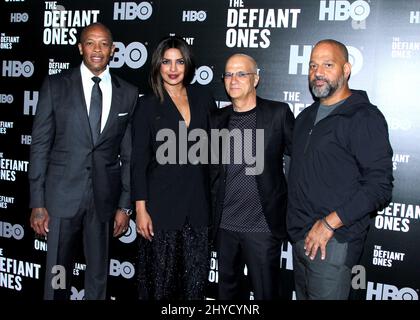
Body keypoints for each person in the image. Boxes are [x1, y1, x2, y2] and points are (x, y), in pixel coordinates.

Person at [28, 22, 139, 300]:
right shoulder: (56, 85)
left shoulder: (128, 92)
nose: (97, 49)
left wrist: (125, 206)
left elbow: (129, 154)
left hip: (104, 200)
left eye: (103, 44)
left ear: (113, 50)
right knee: (58, 271)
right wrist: (38, 203)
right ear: (80, 48)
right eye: (90, 43)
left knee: (98, 274)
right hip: (61, 197)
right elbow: (40, 146)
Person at [286, 39, 393, 300]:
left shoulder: (363, 117)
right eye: (312, 65)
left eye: (327, 64)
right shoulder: (305, 117)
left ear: (346, 70)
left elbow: (380, 186)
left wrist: (329, 223)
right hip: (300, 239)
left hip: (333, 243)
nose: (317, 72)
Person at [131, 36, 216, 300]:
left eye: (179, 61)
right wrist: (140, 209)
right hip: (160, 208)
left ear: (188, 64)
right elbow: (138, 161)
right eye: (166, 62)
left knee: (194, 285)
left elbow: (213, 153)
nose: (173, 68)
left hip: (198, 206)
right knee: (160, 285)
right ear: (158, 65)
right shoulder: (146, 105)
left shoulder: (203, 97)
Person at [210, 54, 294, 300]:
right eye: (228, 74)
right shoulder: (217, 120)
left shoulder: (277, 114)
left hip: (262, 229)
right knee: (227, 295)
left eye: (241, 73)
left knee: (266, 294)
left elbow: (301, 160)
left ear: (255, 79)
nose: (233, 79)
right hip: (224, 228)